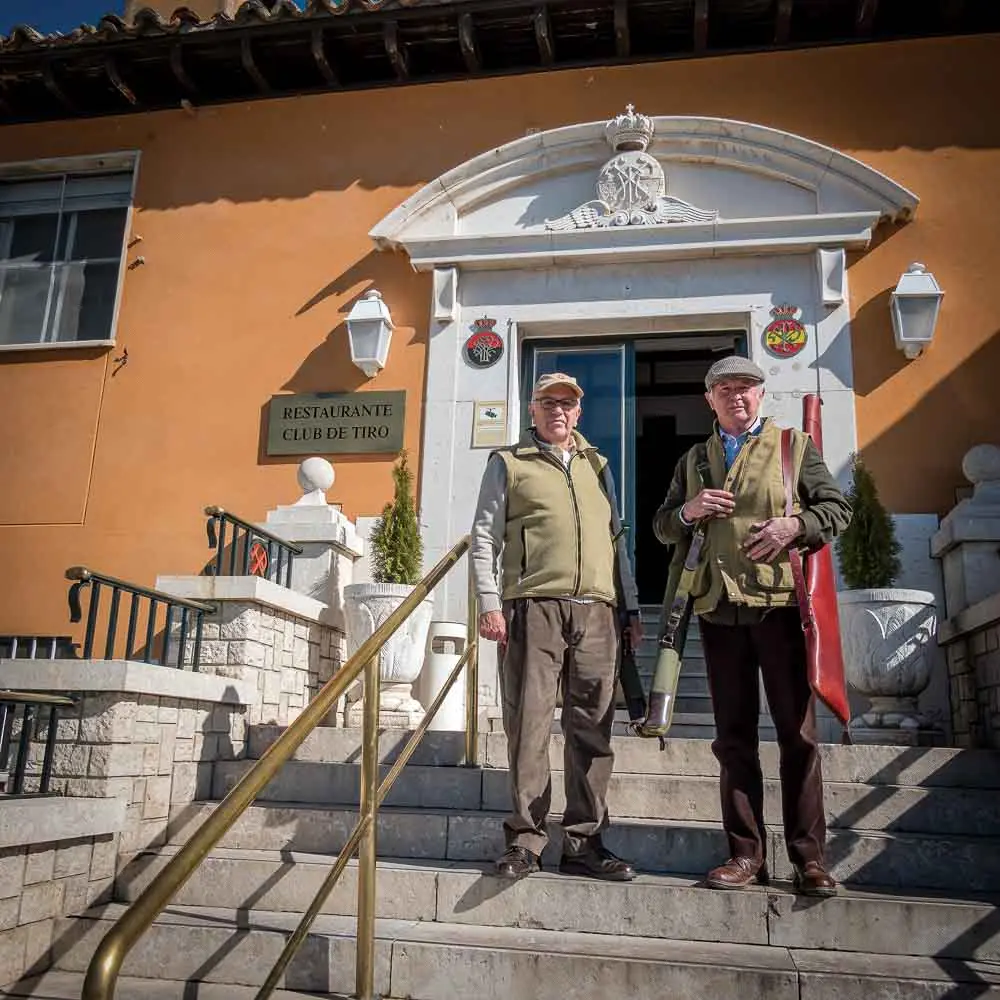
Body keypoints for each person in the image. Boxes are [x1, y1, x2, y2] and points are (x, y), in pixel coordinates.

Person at [653, 356, 851, 897]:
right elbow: (662, 526)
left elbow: (836, 508)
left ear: (761, 396)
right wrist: (689, 511)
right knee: (733, 739)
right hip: (719, 611)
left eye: (746, 388)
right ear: (708, 399)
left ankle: (809, 860)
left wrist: (797, 523)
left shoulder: (793, 447)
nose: (736, 397)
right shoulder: (693, 459)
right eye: (725, 389)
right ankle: (745, 855)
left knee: (799, 737)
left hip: (780, 609)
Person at [471, 372, 643, 881]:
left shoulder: (598, 466)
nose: (558, 411)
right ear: (532, 409)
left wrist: (630, 610)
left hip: (598, 611)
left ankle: (584, 842)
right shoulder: (507, 463)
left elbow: (617, 543)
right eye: (548, 402)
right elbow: (484, 536)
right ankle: (525, 840)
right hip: (533, 608)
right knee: (530, 725)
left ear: (579, 411)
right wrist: (489, 601)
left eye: (567, 403)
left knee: (593, 729)